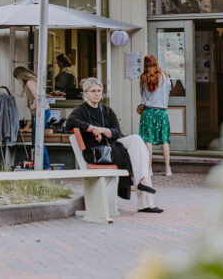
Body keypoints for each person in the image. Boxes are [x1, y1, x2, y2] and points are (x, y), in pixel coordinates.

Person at [66, 77, 163, 213]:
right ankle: (144, 195)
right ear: (85, 93)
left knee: (136, 140)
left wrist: (103, 130)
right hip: (97, 152)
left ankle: (143, 181)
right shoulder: (81, 110)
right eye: (93, 91)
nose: (97, 93)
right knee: (137, 158)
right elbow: (70, 122)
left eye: (99, 90)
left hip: (112, 146)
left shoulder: (106, 110)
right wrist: (92, 128)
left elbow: (117, 133)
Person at [138, 55, 173, 177]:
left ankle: (149, 169)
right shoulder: (165, 76)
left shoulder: (143, 78)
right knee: (164, 140)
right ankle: (167, 168)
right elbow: (168, 91)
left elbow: (142, 95)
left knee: (148, 140)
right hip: (162, 113)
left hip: (148, 113)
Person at [14, 66, 50, 170]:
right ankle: (42, 164)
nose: (18, 81)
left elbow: (38, 98)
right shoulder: (33, 81)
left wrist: (32, 107)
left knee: (38, 140)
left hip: (41, 112)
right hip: (42, 112)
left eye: (17, 78)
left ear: (20, 75)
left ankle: (45, 166)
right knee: (37, 139)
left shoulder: (29, 82)